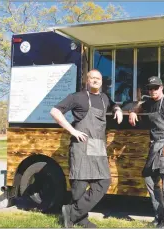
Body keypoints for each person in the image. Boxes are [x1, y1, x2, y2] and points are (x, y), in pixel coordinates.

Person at [50, 69, 123, 228]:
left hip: (98, 145)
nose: (96, 81)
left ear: (101, 81)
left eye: (98, 78)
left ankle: (72, 213)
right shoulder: (78, 97)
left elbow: (114, 105)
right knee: (79, 186)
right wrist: (73, 130)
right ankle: (81, 219)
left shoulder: (104, 98)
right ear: (87, 81)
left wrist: (118, 110)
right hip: (82, 146)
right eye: (92, 78)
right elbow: (54, 111)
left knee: (104, 181)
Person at [128, 76, 164, 228]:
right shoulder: (149, 103)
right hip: (154, 146)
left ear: (161, 88)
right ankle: (160, 217)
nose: (153, 91)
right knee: (149, 179)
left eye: (155, 88)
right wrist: (133, 111)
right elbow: (139, 105)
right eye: (150, 88)